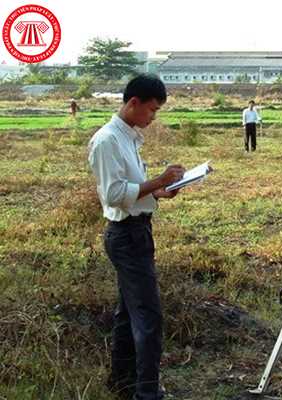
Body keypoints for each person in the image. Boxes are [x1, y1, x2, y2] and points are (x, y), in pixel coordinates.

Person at [88, 74, 185, 400]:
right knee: (148, 316)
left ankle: (123, 381)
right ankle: (146, 393)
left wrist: (158, 192)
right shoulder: (108, 141)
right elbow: (114, 194)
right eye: (152, 110)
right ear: (133, 103)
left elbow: (132, 189)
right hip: (126, 236)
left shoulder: (128, 137)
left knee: (129, 312)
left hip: (137, 231)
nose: (153, 117)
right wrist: (157, 179)